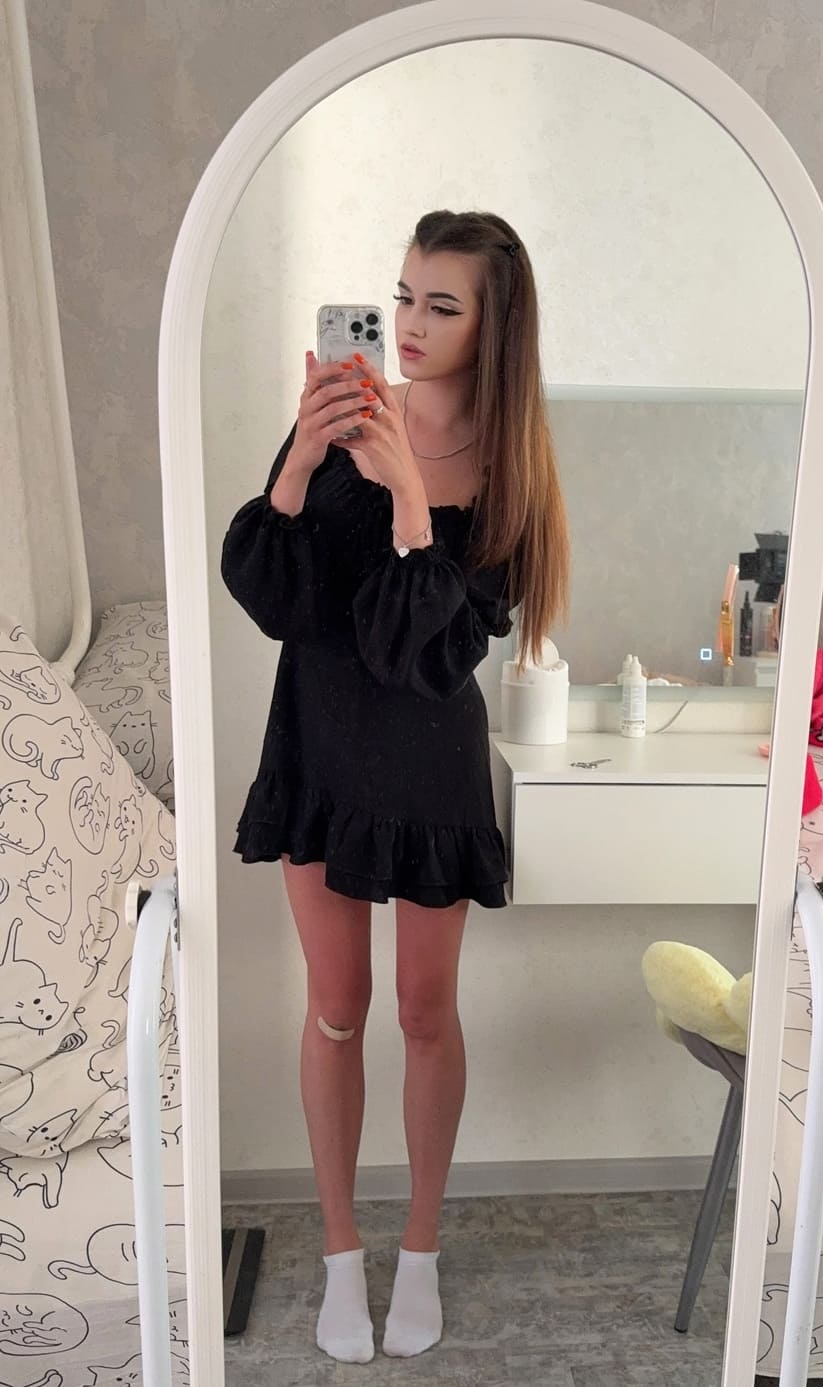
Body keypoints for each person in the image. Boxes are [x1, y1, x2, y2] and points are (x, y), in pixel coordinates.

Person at [220, 209, 569, 1363]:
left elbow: (436, 653)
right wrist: (301, 461)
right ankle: (338, 1250)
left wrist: (410, 500)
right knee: (335, 1005)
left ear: (492, 326)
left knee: (424, 1011)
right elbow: (278, 599)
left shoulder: (511, 476)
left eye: (441, 305)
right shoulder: (344, 414)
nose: (409, 325)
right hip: (317, 747)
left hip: (427, 763)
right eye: (403, 294)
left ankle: (418, 1247)